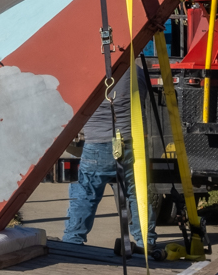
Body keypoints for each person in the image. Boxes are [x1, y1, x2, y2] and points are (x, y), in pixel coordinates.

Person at [62, 61, 157, 256]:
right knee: (137, 193)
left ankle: (73, 241)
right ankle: (146, 241)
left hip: (97, 143)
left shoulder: (87, 70)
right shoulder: (135, 70)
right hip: (132, 142)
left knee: (85, 193)